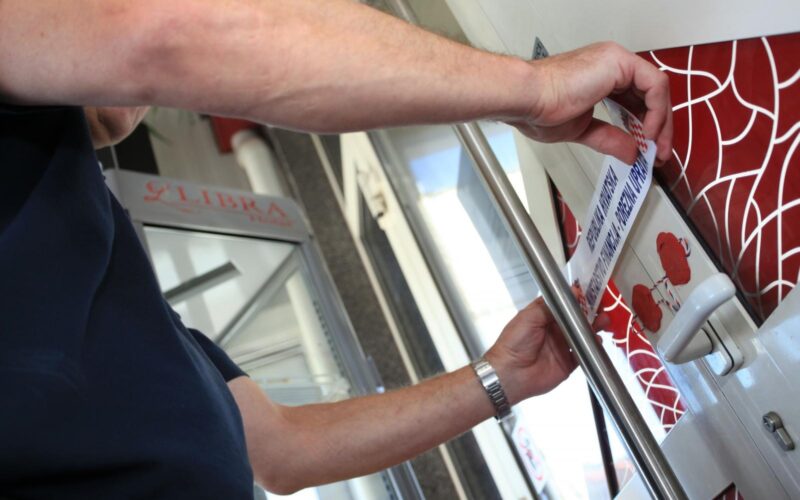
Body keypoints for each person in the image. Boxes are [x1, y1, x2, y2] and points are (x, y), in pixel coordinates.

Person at [0, 0, 672, 498]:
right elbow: (166, 37)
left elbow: (282, 451)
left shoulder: (85, 246)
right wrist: (534, 89)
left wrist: (501, 377)